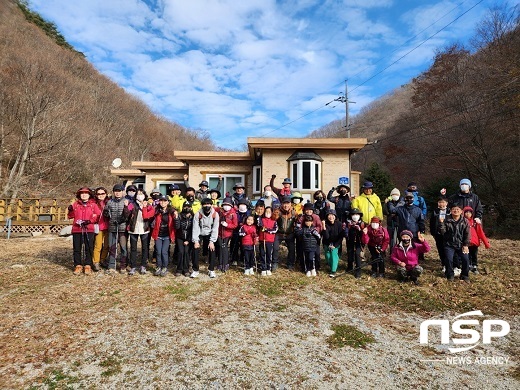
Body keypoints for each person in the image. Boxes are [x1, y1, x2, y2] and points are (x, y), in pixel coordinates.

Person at [68, 187, 101, 275]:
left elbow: (97, 215)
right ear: (79, 195)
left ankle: (88, 265)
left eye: (86, 193)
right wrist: (70, 210)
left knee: (89, 247)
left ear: (89, 195)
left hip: (89, 229)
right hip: (77, 229)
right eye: (82, 193)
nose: (84, 195)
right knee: (77, 248)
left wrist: (90, 221)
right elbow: (70, 216)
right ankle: (78, 265)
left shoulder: (93, 205)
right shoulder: (76, 204)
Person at [123, 189, 155, 275]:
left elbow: (149, 216)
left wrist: (145, 207)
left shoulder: (148, 205)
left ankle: (143, 265)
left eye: (142, 194)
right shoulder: (132, 204)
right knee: (133, 249)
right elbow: (126, 215)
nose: (140, 195)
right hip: (133, 229)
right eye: (138, 194)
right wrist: (126, 206)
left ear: (145, 195)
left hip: (144, 229)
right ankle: (133, 266)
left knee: (145, 248)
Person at [439, 203, 471, 282]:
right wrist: (441, 224)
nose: (456, 211)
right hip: (449, 244)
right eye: (454, 209)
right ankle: (450, 274)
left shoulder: (465, 221)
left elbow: (467, 234)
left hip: (461, 244)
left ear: (461, 211)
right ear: (451, 210)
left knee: (466, 259)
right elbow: (442, 232)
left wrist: (466, 245)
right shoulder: (446, 220)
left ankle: (464, 275)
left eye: (458, 209)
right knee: (449, 259)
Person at [103, 184, 129, 275]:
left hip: (122, 229)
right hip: (112, 228)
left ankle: (123, 265)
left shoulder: (126, 201)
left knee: (123, 248)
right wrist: (106, 213)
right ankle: (111, 265)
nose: (118, 193)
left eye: (119, 191)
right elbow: (105, 213)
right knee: (112, 247)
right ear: (114, 192)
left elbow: (128, 215)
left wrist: (122, 219)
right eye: (116, 191)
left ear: (123, 192)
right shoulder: (109, 202)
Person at [192, 198, 219, 278]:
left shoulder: (215, 214)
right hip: (200, 233)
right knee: (195, 249)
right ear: (202, 205)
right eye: (205, 204)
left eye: (208, 204)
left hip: (210, 233)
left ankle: (211, 270)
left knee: (212, 249)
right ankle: (195, 270)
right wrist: (196, 240)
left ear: (211, 205)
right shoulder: (198, 214)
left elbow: (215, 228)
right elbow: (195, 228)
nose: (207, 206)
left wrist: (212, 241)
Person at [151, 195, 176, 277]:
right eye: (161, 201)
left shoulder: (171, 211)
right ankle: (158, 266)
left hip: (167, 235)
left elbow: (175, 223)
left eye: (165, 201)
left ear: (168, 202)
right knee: (158, 251)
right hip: (158, 234)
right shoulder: (156, 210)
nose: (162, 202)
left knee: (164, 251)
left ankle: (164, 267)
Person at [463, 206, 490, 274]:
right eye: (466, 212)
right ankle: (468, 266)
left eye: (469, 212)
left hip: (475, 242)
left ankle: (474, 266)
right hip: (466, 242)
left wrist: (486, 243)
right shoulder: (462, 221)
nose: (468, 214)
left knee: (474, 255)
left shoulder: (475, 222)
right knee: (467, 255)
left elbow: (480, 233)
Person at [296, 203, 322, 272]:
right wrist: (302, 232)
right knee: (303, 253)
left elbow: (320, 226)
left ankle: (316, 267)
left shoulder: (316, 217)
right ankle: (304, 267)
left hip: (314, 238)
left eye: (310, 210)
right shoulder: (302, 217)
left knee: (316, 253)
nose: (308, 211)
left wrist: (314, 231)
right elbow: (298, 227)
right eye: (307, 210)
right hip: (304, 238)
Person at [274, 196, 297, 270]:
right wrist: (275, 215)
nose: (286, 205)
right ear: (281, 204)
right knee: (275, 248)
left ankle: (290, 264)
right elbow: (272, 219)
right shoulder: (278, 211)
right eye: (284, 203)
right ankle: (274, 262)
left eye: (288, 203)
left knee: (292, 249)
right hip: (279, 233)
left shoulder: (294, 212)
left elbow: (298, 222)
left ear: (290, 204)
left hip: (289, 234)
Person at [429, 196, 450, 273]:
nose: (441, 204)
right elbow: (431, 223)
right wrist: (433, 233)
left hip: (448, 234)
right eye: (440, 202)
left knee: (448, 250)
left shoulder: (450, 211)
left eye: (443, 202)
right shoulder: (435, 212)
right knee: (440, 249)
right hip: (437, 234)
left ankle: (450, 265)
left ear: (446, 203)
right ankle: (444, 264)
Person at [217, 197, 238, 272]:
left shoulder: (233, 214)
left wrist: (227, 225)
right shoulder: (219, 212)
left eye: (228, 205)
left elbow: (235, 225)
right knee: (220, 247)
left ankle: (225, 263)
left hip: (227, 234)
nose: (226, 206)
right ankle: (220, 263)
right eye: (225, 204)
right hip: (219, 233)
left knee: (224, 247)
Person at [321, 209, 344, 278]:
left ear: (335, 216)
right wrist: (324, 227)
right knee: (328, 256)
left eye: (332, 215)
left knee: (333, 255)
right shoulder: (326, 224)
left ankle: (333, 271)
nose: (331, 217)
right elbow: (326, 236)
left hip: (336, 243)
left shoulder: (339, 224)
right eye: (329, 215)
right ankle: (332, 266)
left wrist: (335, 245)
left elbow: (341, 236)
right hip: (327, 242)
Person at [174, 201, 195, 277]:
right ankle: (179, 269)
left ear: (191, 208)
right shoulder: (179, 215)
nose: (187, 208)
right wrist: (176, 218)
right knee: (180, 252)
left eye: (188, 207)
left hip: (189, 237)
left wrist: (188, 240)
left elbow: (193, 229)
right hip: (180, 237)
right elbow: (177, 227)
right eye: (185, 206)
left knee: (186, 252)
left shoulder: (193, 217)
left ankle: (186, 269)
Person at [92, 186, 109, 271]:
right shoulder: (94, 203)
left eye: (102, 193)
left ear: (106, 194)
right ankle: (96, 262)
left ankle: (103, 259)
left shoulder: (109, 202)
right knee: (98, 245)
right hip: (98, 226)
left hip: (108, 226)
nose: (100, 195)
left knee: (106, 245)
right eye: (98, 194)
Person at [229, 198, 251, 267]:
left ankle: (242, 259)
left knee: (243, 246)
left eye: (244, 205)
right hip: (235, 232)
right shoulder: (236, 213)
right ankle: (234, 259)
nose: (242, 206)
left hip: (245, 233)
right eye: (241, 204)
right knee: (234, 245)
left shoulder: (248, 213)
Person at [257, 206, 278, 276]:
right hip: (262, 239)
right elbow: (258, 224)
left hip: (270, 240)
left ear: (272, 213)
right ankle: (263, 268)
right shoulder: (261, 219)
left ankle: (268, 268)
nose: (268, 213)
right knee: (262, 254)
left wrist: (268, 230)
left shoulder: (274, 221)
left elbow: (275, 230)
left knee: (269, 254)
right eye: (266, 212)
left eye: (269, 212)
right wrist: (259, 216)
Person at [345, 208, 365, 278]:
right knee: (350, 253)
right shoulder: (347, 223)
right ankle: (350, 267)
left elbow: (365, 235)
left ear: (360, 215)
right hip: (350, 241)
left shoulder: (362, 223)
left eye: (357, 214)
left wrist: (360, 230)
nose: (355, 216)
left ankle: (358, 270)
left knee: (357, 254)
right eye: (353, 214)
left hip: (359, 242)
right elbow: (344, 233)